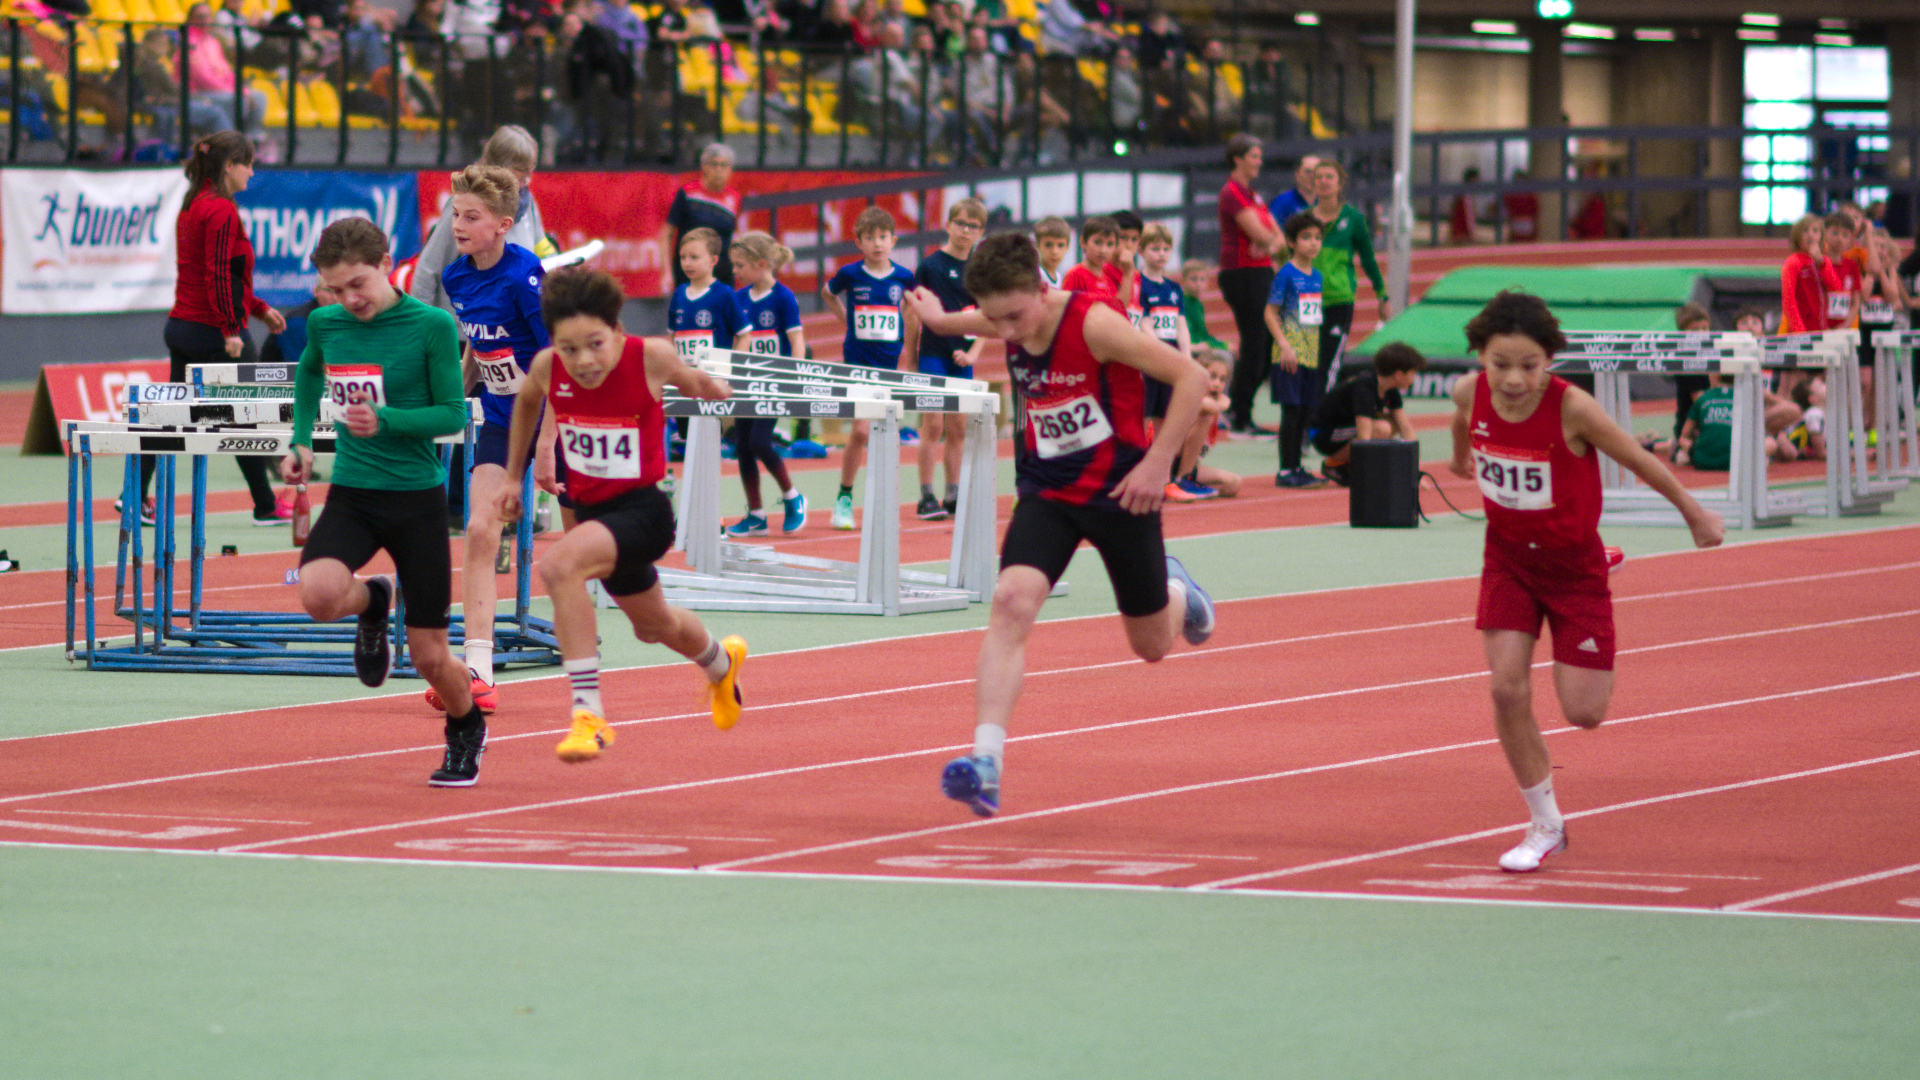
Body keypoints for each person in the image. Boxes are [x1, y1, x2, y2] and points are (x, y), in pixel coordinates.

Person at [903, 232, 1217, 817]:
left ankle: (1181, 594)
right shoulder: (1007, 316)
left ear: (1041, 291)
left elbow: (1192, 380)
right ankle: (986, 762)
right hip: (1047, 492)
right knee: (1010, 600)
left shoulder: (1095, 324)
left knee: (1149, 645)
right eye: (997, 322)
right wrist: (939, 320)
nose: (1010, 333)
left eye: (1016, 317)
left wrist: (1157, 464)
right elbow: (981, 318)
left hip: (1123, 493)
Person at [1447, 290, 1724, 873]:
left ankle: (1607, 559)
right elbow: (1460, 422)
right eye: (1501, 365)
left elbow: (1640, 460)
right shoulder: (1468, 392)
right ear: (1480, 357)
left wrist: (1695, 513)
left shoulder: (1573, 409)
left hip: (1574, 571)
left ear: (1548, 361)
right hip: (1508, 561)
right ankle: (1545, 823)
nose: (1514, 380)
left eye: (1529, 366)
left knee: (1584, 712)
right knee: (1506, 689)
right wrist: (1457, 458)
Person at [495, 268, 749, 762]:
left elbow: (690, 378)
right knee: (654, 627)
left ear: (618, 329)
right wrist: (512, 476)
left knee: (559, 566)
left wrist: (712, 387)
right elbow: (526, 402)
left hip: (644, 511)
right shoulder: (548, 367)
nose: (584, 360)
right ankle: (722, 664)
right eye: (570, 349)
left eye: (594, 343)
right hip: (593, 513)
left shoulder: (649, 356)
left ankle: (587, 714)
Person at [280, 218, 484, 786]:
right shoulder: (325, 323)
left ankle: (465, 727)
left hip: (416, 501)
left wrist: (387, 419)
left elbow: (450, 412)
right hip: (353, 492)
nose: (349, 300)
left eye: (358, 285)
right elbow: (309, 371)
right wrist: (301, 439)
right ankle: (372, 601)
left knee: (430, 657)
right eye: (335, 289)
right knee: (317, 595)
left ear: (386, 262)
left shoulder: (431, 326)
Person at [431, 163, 554, 715]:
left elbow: (559, 363)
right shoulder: (456, 277)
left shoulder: (527, 278)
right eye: (456, 214)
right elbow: (480, 349)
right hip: (504, 423)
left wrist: (548, 444)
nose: (458, 224)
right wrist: (453, 402)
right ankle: (476, 669)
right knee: (481, 528)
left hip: (557, 416)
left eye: (471, 217)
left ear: (503, 224)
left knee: (595, 553)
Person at [133, 132, 289, 528]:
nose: (253, 172)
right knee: (246, 416)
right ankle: (266, 505)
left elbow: (224, 275)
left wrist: (259, 309)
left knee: (166, 419)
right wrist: (231, 329)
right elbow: (218, 273)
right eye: (248, 164)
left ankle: (132, 497)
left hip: (183, 328)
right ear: (228, 166)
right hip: (212, 333)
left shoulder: (195, 205)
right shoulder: (219, 210)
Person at [821, 205, 918, 530]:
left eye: (883, 237)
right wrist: (846, 320)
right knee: (861, 431)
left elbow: (914, 308)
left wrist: (905, 334)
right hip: (858, 364)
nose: (877, 243)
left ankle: (883, 502)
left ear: (893, 240)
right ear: (859, 242)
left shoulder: (904, 277)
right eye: (870, 238)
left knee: (887, 433)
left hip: (889, 365)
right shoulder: (851, 274)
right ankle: (844, 498)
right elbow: (828, 293)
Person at [907, 197, 989, 521]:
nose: (965, 231)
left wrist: (972, 354)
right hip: (931, 354)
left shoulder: (979, 271)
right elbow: (913, 313)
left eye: (972, 226)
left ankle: (953, 491)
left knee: (957, 427)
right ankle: (926, 495)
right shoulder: (930, 266)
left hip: (961, 358)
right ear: (948, 224)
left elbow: (987, 317)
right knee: (932, 424)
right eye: (960, 223)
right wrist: (910, 356)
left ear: (980, 232)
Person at [726, 231, 810, 536]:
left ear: (760, 263)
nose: (734, 271)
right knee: (743, 448)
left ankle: (792, 496)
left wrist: (794, 373)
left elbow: (796, 339)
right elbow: (736, 340)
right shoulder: (737, 299)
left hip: (774, 384)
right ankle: (756, 514)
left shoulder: (783, 297)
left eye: (739, 266)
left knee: (760, 442)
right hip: (746, 384)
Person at [1217, 133, 1286, 435]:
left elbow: (1278, 237)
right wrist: (1269, 241)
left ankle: (1240, 410)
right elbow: (1260, 234)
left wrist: (1270, 244)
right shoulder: (1232, 192)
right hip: (1242, 273)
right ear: (1238, 159)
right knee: (1256, 342)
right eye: (1254, 156)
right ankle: (1238, 414)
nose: (1259, 161)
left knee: (1265, 342)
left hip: (1260, 272)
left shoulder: (1252, 194)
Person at [1308, 159, 1391, 387]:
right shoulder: (1304, 219)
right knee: (1308, 361)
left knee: (1328, 363)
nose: (1324, 182)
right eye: (1319, 177)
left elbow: (1368, 259)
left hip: (1339, 299)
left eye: (1329, 177)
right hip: (1308, 299)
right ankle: (1306, 417)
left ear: (1340, 183)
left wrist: (1382, 295)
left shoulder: (1353, 219)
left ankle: (1320, 418)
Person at [1264, 210, 1325, 487]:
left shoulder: (1317, 277)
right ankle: (1286, 470)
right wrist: (1285, 345)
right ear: (1291, 242)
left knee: (1304, 412)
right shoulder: (1286, 275)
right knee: (1291, 412)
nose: (1313, 243)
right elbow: (1270, 312)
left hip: (1310, 354)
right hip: (1289, 354)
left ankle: (1297, 466)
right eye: (1306, 238)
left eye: (1317, 238)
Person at [1307, 343, 1423, 485]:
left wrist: (1415, 473)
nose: (1414, 377)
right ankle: (1334, 464)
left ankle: (1348, 464)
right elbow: (1364, 437)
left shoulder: (1390, 389)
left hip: (1344, 428)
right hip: (1321, 433)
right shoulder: (1365, 387)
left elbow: (1406, 429)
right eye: (1413, 373)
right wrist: (1369, 475)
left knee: (1393, 424)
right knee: (1380, 429)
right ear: (1399, 374)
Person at [659, 143, 743, 292]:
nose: (719, 170)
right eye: (714, 165)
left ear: (730, 170)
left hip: (722, 274)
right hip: (689, 272)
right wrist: (666, 272)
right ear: (704, 167)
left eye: (724, 166)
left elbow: (736, 238)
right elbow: (666, 233)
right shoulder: (688, 193)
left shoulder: (734, 198)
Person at [1673, 369, 1798, 469]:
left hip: (1701, 460)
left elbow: (1684, 437)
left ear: (1715, 375)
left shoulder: (1703, 398)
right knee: (1772, 444)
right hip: (1737, 462)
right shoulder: (1746, 397)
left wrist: (1692, 450)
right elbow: (1793, 410)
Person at [1670, 302, 1715, 449]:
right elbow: (1701, 401)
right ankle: (1676, 446)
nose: (1701, 334)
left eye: (1704, 328)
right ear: (1683, 333)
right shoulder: (1685, 361)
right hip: (1691, 426)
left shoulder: (1714, 355)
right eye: (1695, 330)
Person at [1778, 213, 1827, 336]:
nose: (1810, 235)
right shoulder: (1793, 263)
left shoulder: (1824, 262)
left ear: (1821, 236)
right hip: (1802, 333)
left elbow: (1835, 286)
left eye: (1815, 231)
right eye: (1805, 231)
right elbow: (1789, 300)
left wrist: (1821, 262)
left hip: (1823, 331)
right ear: (1797, 237)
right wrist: (1799, 331)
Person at [1059, 215, 1121, 303]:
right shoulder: (1075, 275)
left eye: (1110, 244)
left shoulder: (1111, 276)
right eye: (1097, 242)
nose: (1103, 250)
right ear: (1083, 242)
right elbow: (1065, 309)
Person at [1179, 259, 1231, 354]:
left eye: (1202, 279)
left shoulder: (1198, 305)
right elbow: (1191, 335)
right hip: (1189, 348)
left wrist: (1223, 345)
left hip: (1199, 345)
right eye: (1194, 279)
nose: (1198, 284)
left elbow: (1203, 335)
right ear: (1184, 280)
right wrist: (1219, 346)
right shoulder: (1182, 303)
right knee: (1224, 357)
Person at [1265, 153, 1320, 229]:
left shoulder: (1325, 202)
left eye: (1316, 172)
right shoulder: (1282, 202)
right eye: (1308, 172)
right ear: (1297, 175)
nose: (1312, 176)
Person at [1034, 216, 1072, 288]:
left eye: (1060, 245)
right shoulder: (1035, 275)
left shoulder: (1060, 277)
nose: (1054, 251)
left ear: (1067, 247)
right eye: (1048, 245)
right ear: (1038, 246)